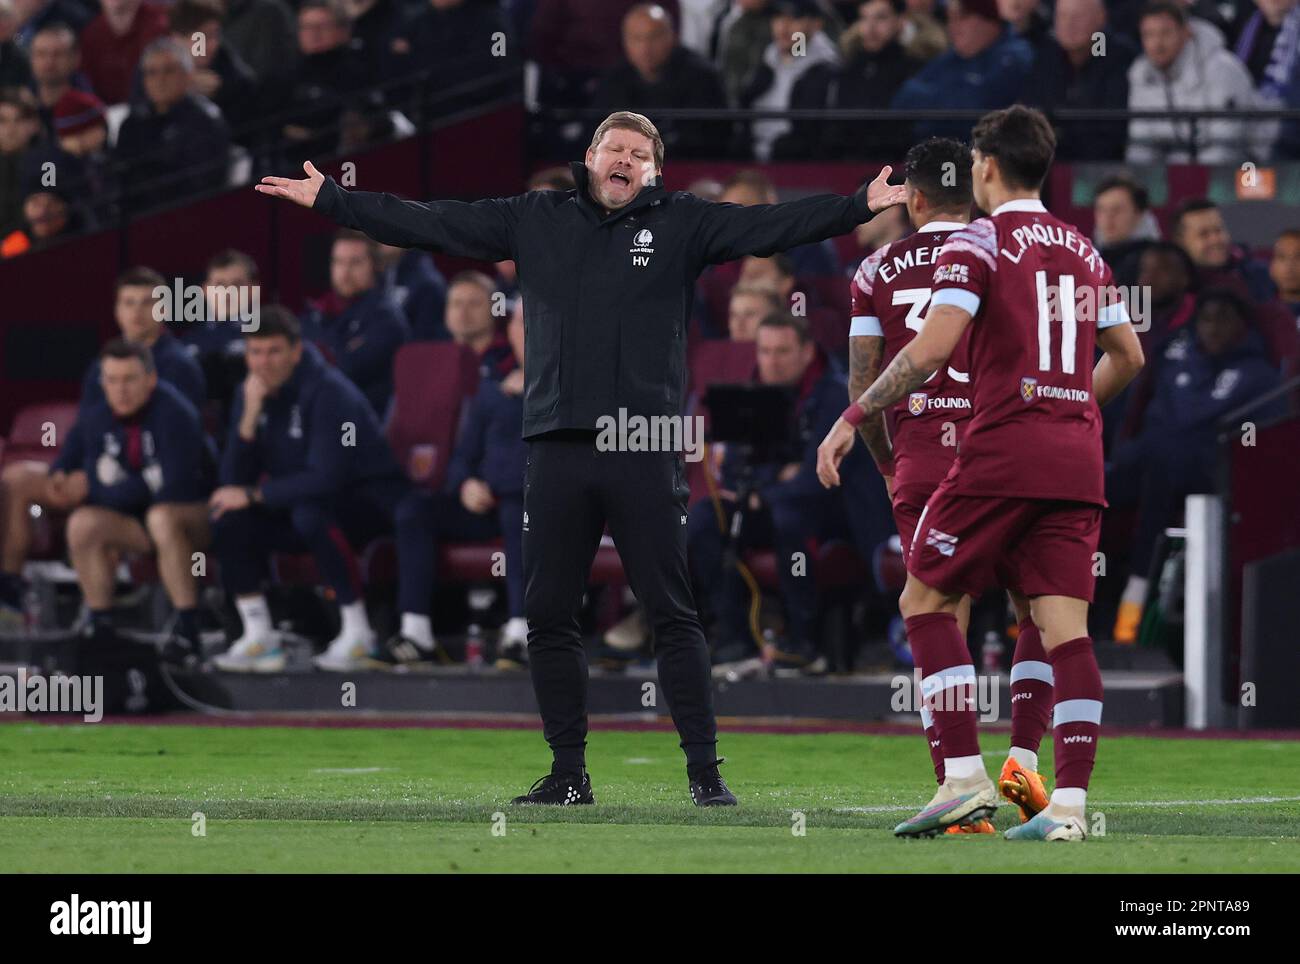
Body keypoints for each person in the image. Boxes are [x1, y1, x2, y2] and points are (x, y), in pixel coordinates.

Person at [255, 108, 906, 807]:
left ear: (654, 170)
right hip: (558, 444)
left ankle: (705, 775)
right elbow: (432, 223)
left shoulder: (682, 222)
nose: (624, 159)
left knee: (672, 611)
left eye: (638, 152)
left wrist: (856, 207)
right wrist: (335, 201)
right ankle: (568, 774)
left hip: (646, 445)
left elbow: (767, 226)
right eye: (613, 147)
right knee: (548, 613)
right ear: (590, 157)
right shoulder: (535, 217)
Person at [818, 106, 1146, 840]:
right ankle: (1067, 808)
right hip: (1076, 457)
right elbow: (1129, 357)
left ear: (988, 168)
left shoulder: (980, 242)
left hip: (997, 454)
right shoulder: (1084, 249)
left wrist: (851, 418)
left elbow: (931, 350)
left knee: (926, 601)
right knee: (1065, 630)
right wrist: (1066, 403)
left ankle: (962, 779)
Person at [208, 307, 432, 672]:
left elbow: (328, 477)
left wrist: (254, 495)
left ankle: (358, 630)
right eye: (256, 352)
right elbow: (231, 481)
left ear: (296, 351)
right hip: (301, 501)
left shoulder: (329, 391)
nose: (264, 362)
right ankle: (258, 634)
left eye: (274, 351)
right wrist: (248, 419)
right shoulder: (249, 393)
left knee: (309, 512)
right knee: (228, 516)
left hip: (368, 503)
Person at [687, 311, 887, 670]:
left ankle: (802, 639)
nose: (771, 361)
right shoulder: (752, 393)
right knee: (704, 518)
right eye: (764, 351)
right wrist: (774, 482)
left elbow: (818, 478)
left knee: (789, 517)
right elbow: (734, 468)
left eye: (781, 351)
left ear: (807, 352)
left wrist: (768, 490)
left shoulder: (836, 394)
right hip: (768, 503)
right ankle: (733, 634)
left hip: (833, 513)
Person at [1107, 289, 1285, 640]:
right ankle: (1115, 625)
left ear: (1241, 326)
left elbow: (1265, 440)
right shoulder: (1176, 360)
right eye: (1206, 318)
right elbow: (1153, 419)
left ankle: (1144, 625)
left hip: (1221, 480)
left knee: (1166, 477)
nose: (1213, 327)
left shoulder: (1258, 375)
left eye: (1224, 318)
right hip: (1155, 470)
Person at [56, 340, 214, 663]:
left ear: (150, 380)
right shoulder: (98, 417)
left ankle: (188, 629)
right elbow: (89, 485)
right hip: (140, 516)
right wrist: (131, 485)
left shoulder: (175, 413)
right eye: (111, 380)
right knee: (84, 524)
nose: (120, 390)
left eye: (129, 379)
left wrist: (114, 488)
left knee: (162, 517)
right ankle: (101, 628)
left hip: (198, 517)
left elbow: (175, 486)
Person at [1126, 0, 1268, 164]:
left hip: (1249, 167)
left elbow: (1225, 145)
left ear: (1186, 32)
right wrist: (1141, 179)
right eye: (1148, 35)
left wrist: (1192, 180)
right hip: (1178, 174)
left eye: (1165, 33)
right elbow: (1141, 146)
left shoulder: (1222, 69)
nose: (1157, 44)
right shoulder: (1141, 75)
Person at [593, 3, 730, 159]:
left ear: (671, 37)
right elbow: (597, 135)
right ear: (625, 41)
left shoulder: (702, 77)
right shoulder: (614, 79)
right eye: (637, 39)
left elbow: (714, 137)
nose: (645, 48)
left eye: (653, 38)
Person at [891, 0, 1034, 141]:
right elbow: (904, 98)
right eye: (950, 19)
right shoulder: (953, 57)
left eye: (962, 17)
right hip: (937, 151)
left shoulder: (1015, 57)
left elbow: (975, 111)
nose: (953, 27)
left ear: (988, 19)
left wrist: (935, 102)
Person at [301, 229, 409, 415]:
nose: (345, 271)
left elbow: (344, 369)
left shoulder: (387, 320)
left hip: (361, 422)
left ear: (376, 266)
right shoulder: (317, 312)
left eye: (355, 262)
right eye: (338, 262)